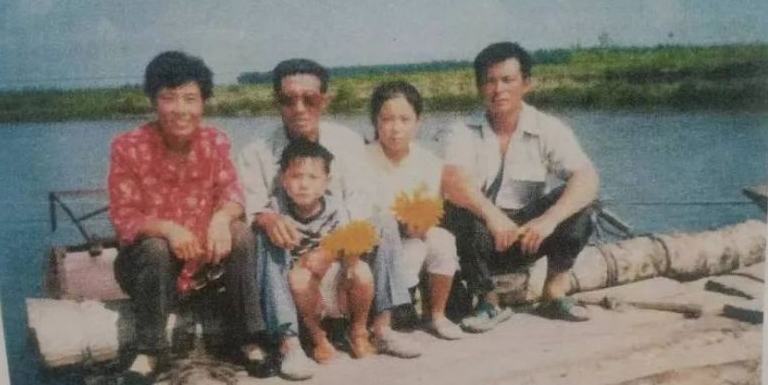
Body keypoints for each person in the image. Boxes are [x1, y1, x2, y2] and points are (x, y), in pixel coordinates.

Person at [238, 58, 421, 359]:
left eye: (309, 99)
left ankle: (382, 328)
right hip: (293, 250)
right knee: (264, 231)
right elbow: (253, 208)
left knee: (384, 221)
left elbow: (360, 203)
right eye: (288, 100)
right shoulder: (256, 152)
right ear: (276, 102)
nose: (299, 108)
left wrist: (332, 249)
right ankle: (289, 342)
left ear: (324, 100)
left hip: (341, 240)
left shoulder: (347, 141)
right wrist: (267, 218)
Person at [107, 51, 263, 385]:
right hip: (149, 266)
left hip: (204, 264)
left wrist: (221, 218)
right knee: (156, 247)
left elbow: (233, 195)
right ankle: (149, 352)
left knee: (240, 232)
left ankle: (248, 338)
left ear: (203, 102)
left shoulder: (215, 141)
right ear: (154, 101)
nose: (180, 109)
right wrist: (168, 229)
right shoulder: (127, 147)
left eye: (190, 99)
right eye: (169, 98)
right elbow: (124, 217)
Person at [440, 42, 600, 332]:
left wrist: (548, 220)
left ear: (526, 83)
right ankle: (488, 301)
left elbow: (587, 177)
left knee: (582, 204)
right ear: (479, 87)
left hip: (527, 236)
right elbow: (452, 181)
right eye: (490, 81)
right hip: (480, 236)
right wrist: (492, 216)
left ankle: (554, 293)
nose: (498, 89)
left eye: (507, 80)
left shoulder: (548, 127)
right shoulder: (461, 130)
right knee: (456, 209)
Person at [257, 139, 376, 380]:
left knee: (361, 271)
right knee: (299, 278)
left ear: (326, 183)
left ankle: (358, 331)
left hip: (334, 278)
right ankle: (318, 337)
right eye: (296, 176)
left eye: (313, 177)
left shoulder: (337, 208)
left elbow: (348, 242)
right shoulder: (277, 208)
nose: (303, 184)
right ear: (283, 180)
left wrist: (342, 262)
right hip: (302, 285)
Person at [364, 80, 462, 340]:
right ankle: (386, 315)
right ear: (375, 121)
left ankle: (436, 315)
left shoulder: (429, 162)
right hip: (374, 242)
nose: (395, 128)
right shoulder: (361, 158)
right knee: (413, 249)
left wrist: (421, 223)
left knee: (442, 239)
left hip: (414, 232)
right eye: (387, 119)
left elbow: (430, 208)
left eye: (405, 120)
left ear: (418, 122)